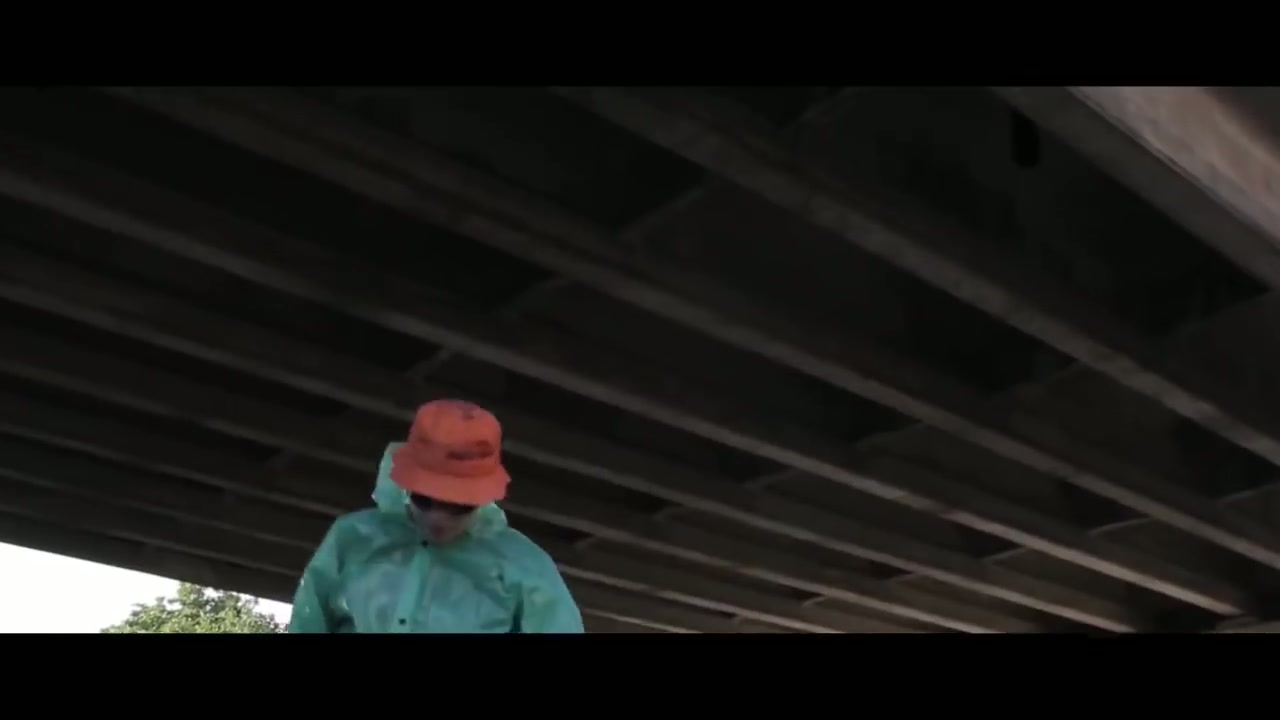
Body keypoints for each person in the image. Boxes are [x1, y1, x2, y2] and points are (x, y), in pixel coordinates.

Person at [288, 399, 584, 633]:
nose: (437, 519)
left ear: (481, 498)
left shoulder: (525, 567)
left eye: (458, 506)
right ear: (406, 486)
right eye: (425, 500)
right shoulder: (351, 539)